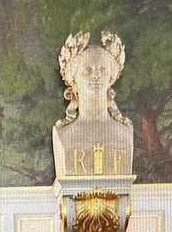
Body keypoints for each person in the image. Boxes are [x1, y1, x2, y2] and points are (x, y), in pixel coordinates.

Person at [52, 30, 133, 177]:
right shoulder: (62, 133)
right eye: (88, 70)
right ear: (74, 81)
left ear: (110, 79)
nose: (96, 75)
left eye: (102, 69)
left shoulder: (124, 131)